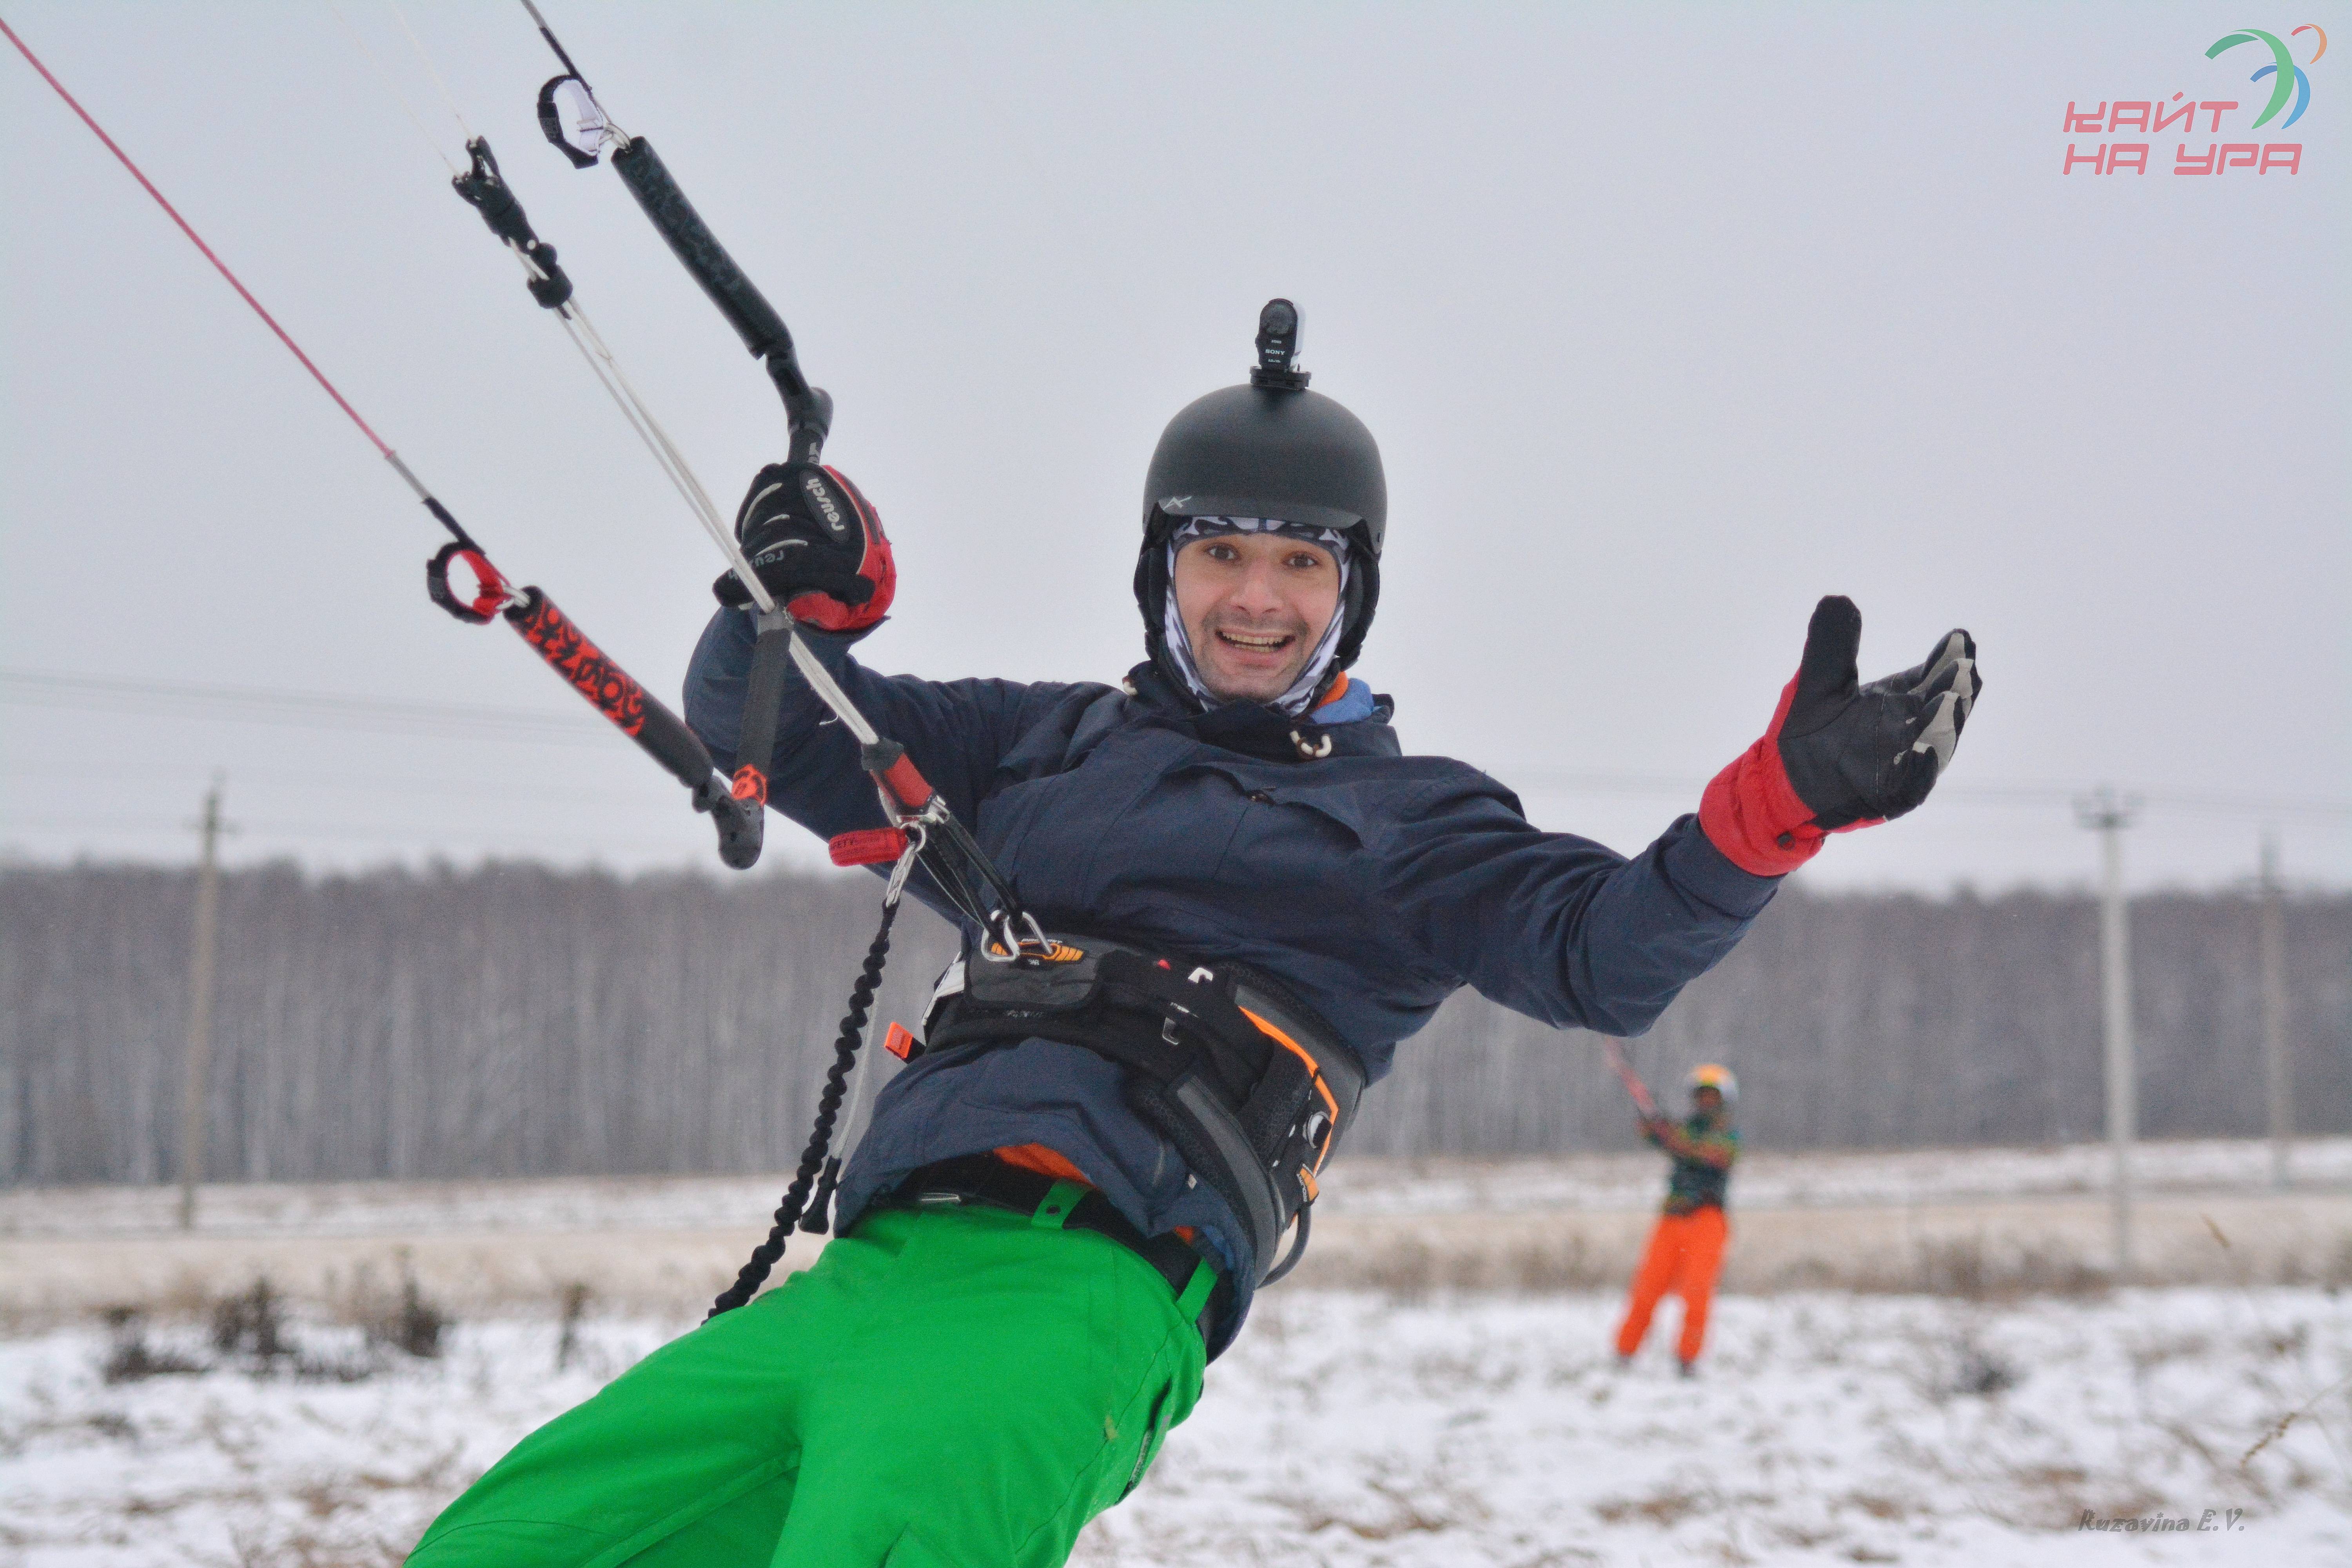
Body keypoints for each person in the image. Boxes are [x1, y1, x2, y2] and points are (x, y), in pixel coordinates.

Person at [407, 305, 1979, 1566]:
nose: (1257, 598)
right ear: (1163, 566)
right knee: (520, 1539)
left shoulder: (1415, 824)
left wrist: (1776, 807)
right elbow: (783, 737)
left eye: (1302, 562)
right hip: (868, 1269)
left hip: (1086, 1291)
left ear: (1351, 594)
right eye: (1222, 552)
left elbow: (1602, 950)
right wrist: (802, 596)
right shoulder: (1041, 748)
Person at [1614, 1063, 1741, 1376]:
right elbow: (1662, 1138)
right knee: (1647, 1287)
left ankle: (1688, 1359)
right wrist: (1651, 1123)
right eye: (1702, 1095)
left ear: (1723, 1100)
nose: (1706, 1102)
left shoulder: (1727, 1135)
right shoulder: (1683, 1130)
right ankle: (1624, 1353)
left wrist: (1665, 1131)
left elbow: (1696, 1149)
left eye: (1713, 1096)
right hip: (1671, 1220)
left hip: (1708, 1221)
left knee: (1698, 1292)